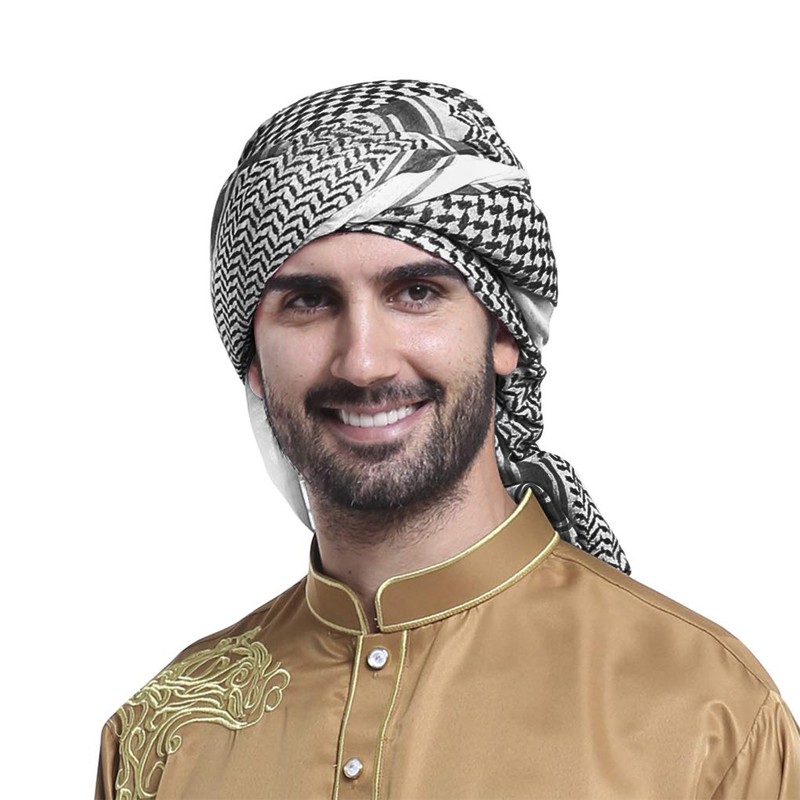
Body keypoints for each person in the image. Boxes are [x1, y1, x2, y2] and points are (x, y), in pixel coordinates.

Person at [95, 80, 799, 799]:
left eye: (416, 293)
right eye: (308, 301)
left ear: (503, 333)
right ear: (253, 361)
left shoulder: (710, 715)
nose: (363, 362)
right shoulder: (160, 737)